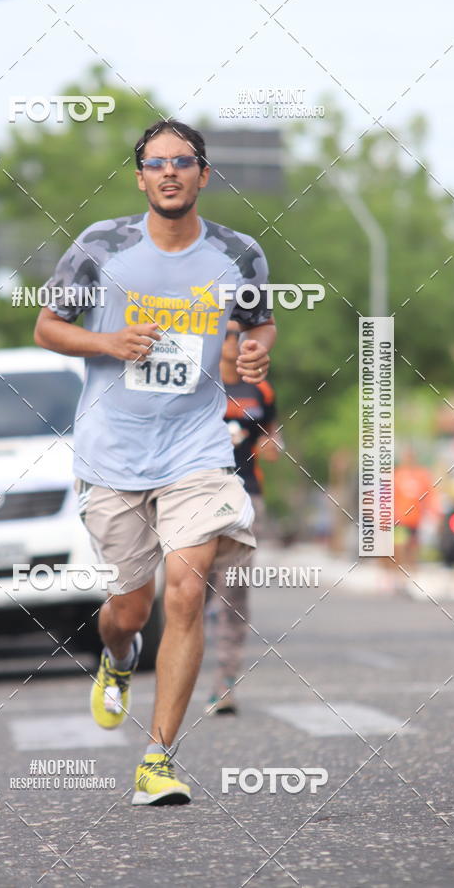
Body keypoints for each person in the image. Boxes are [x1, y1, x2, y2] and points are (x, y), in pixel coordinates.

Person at [34, 120, 276, 806]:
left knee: (187, 590)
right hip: (112, 452)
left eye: (184, 161)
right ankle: (116, 657)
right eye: (156, 162)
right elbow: (47, 326)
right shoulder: (102, 248)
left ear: (204, 174)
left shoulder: (238, 253)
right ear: (140, 176)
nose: (170, 171)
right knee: (130, 609)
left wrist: (255, 353)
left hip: (196, 450)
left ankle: (158, 757)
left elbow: (257, 324)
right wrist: (109, 342)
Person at [205, 319, 280, 715]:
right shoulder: (199, 385)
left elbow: (271, 434)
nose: (231, 348)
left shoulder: (260, 389)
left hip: (246, 498)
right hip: (195, 496)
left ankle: (224, 681)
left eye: (236, 338)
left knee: (232, 591)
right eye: (224, 339)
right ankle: (180, 671)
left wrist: (272, 445)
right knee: (190, 592)